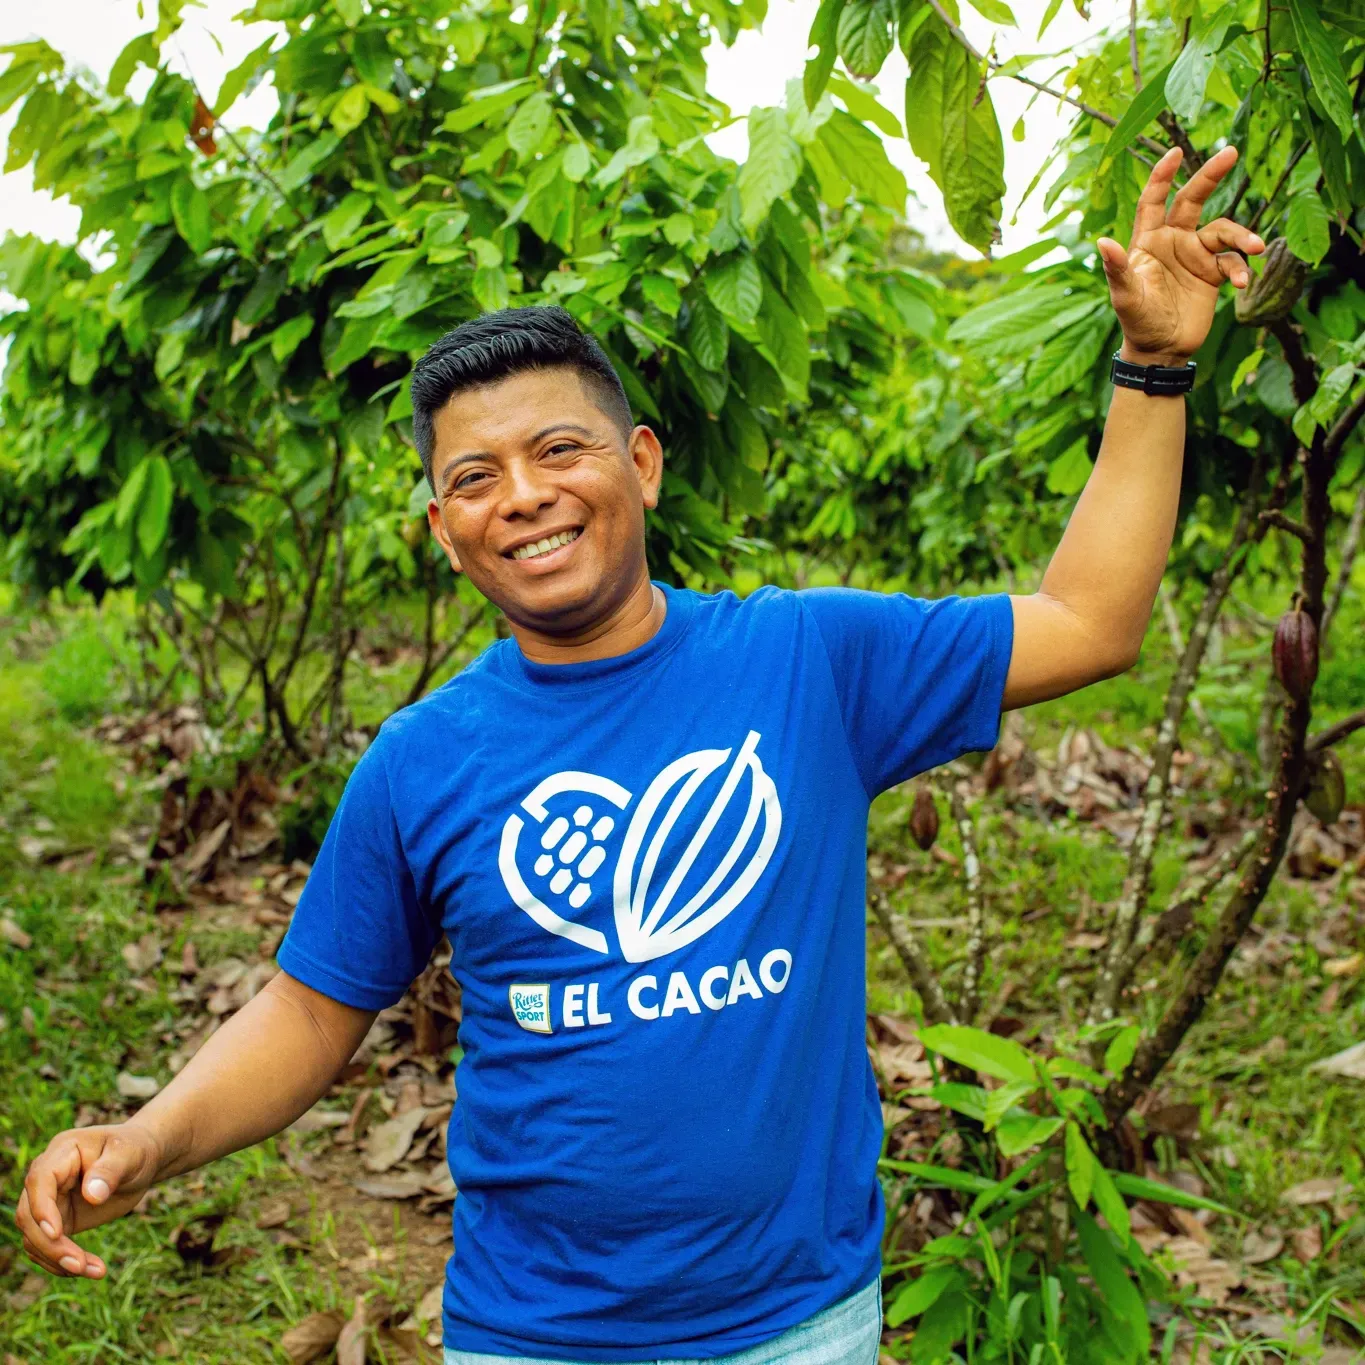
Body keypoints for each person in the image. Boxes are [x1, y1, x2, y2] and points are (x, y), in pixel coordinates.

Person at [17, 146, 1261, 1364]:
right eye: (474, 477)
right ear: (445, 532)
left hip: (797, 1321)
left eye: (560, 449)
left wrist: (1152, 368)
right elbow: (309, 1008)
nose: (523, 494)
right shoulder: (422, 758)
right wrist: (151, 1137)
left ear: (643, 464)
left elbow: (1090, 626)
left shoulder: (807, 660)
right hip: (534, 1333)